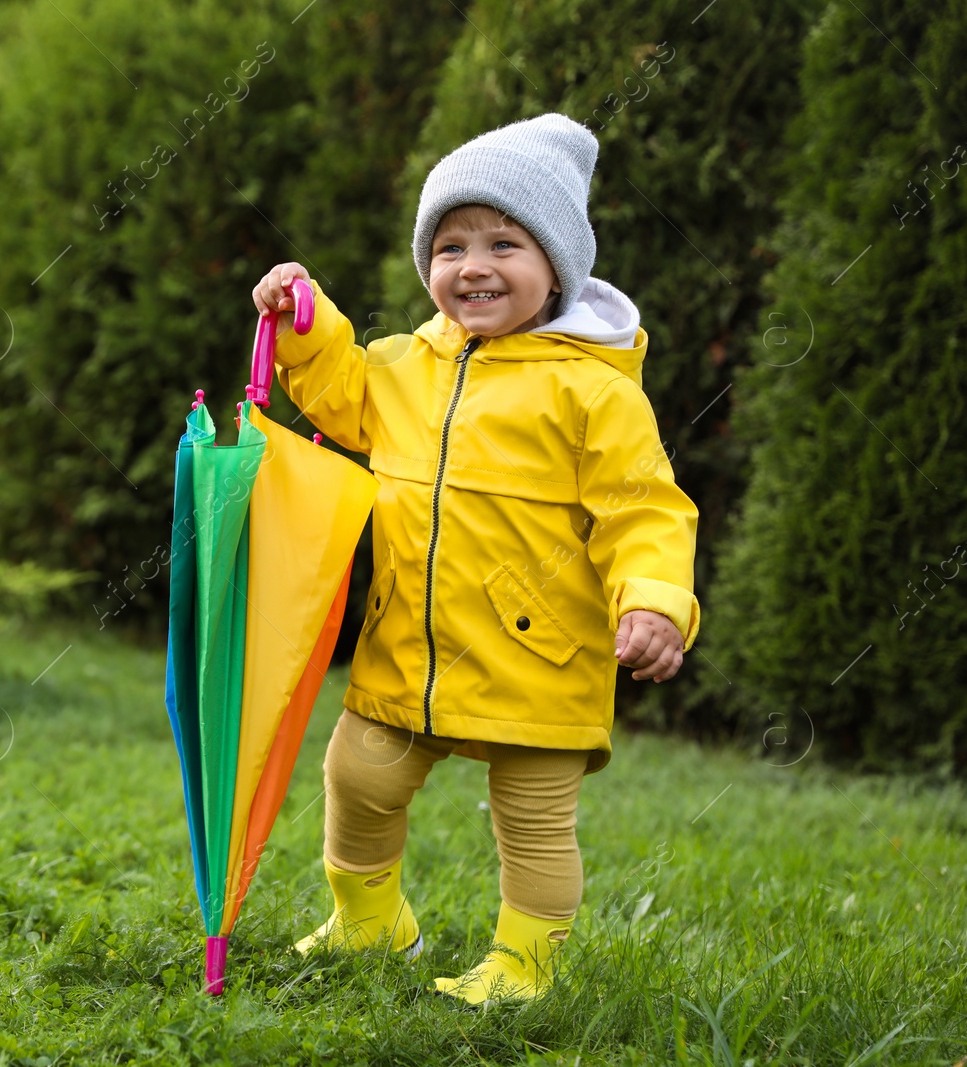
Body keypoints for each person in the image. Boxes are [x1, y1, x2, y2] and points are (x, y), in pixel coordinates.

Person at [249, 112, 700, 1005]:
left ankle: (525, 966)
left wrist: (653, 599)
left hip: (543, 656)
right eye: (450, 245)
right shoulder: (407, 366)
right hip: (408, 649)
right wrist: (304, 318)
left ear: (558, 264)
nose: (474, 265)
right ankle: (370, 920)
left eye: (505, 242)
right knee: (358, 773)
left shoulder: (594, 392)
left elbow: (643, 507)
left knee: (532, 821)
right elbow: (340, 391)